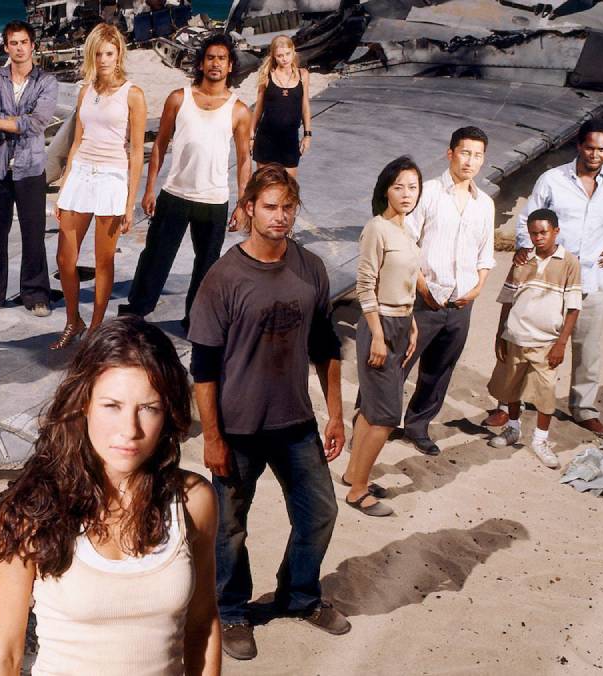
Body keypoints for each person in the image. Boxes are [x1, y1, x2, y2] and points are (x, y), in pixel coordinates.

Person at [0, 316, 222, 675]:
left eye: (149, 408)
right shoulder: (29, 512)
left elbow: (202, 623)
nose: (130, 429)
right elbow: (4, 654)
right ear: (84, 403)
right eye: (112, 405)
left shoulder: (193, 501)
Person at [189, 165, 349, 660]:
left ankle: (299, 596)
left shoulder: (310, 268)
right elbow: (203, 368)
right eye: (270, 207)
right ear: (249, 209)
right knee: (229, 529)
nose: (280, 216)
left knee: (320, 512)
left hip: (295, 421)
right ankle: (231, 610)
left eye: (288, 208)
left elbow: (325, 345)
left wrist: (336, 413)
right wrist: (212, 437)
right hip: (237, 427)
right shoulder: (223, 278)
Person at [485, 119, 603, 436]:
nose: (595, 154)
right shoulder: (553, 180)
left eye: (602, 149)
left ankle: (583, 409)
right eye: (589, 147)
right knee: (522, 340)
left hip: (592, 280)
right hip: (548, 281)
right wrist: (525, 249)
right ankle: (506, 406)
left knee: (587, 349)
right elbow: (527, 219)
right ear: (579, 146)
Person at [120, 33, 253, 330]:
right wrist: (150, 188)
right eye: (210, 58)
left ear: (230, 65)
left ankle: (197, 319)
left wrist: (243, 204)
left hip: (214, 200)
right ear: (201, 63)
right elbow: (159, 145)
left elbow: (245, 159)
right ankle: (136, 311)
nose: (215, 63)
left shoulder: (240, 110)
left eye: (222, 59)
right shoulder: (178, 98)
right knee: (155, 256)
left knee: (207, 265)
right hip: (175, 194)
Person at [400, 127, 495, 456]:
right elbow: (406, 241)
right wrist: (421, 285)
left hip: (461, 304)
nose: (470, 161)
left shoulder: (485, 204)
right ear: (450, 153)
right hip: (422, 300)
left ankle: (417, 426)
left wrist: (478, 288)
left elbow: (485, 253)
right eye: (465, 153)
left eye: (477, 155)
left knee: (439, 371)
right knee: (396, 364)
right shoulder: (427, 193)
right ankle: (372, 423)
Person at [51, 23, 147, 349]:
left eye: (109, 53)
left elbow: (136, 152)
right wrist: (64, 187)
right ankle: (73, 319)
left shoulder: (133, 94)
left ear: (119, 54)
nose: (103, 60)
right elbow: (77, 141)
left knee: (103, 261)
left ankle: (95, 329)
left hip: (112, 178)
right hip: (81, 174)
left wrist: (130, 202)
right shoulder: (86, 90)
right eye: (98, 54)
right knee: (65, 259)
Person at [343, 157, 422, 518]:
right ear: (385, 190)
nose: (406, 194)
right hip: (381, 325)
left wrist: (412, 321)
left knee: (372, 410)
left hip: (400, 322)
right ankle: (358, 491)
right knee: (387, 416)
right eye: (399, 187)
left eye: (413, 187)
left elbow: (403, 281)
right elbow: (365, 286)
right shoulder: (377, 229)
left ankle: (352, 474)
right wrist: (377, 334)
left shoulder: (406, 229)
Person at [0, 20, 58, 318]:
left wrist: (1, 122)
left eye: (24, 42)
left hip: (30, 169)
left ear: (32, 46)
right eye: (13, 43)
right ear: (6, 47)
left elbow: (38, 123)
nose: (19, 48)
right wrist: (13, 122)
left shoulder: (46, 81)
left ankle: (36, 295)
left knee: (33, 235)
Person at [487, 210, 581, 469]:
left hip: (546, 342)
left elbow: (573, 308)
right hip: (515, 335)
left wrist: (561, 344)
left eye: (543, 232)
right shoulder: (521, 259)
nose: (538, 237)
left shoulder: (569, 262)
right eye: (533, 233)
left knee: (545, 393)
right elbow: (507, 300)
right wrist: (500, 334)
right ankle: (513, 428)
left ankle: (540, 440)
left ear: (556, 232)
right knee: (512, 386)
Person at [251, 36, 311, 176]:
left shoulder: (303, 75)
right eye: (280, 56)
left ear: (293, 51)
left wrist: (307, 135)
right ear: (273, 56)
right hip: (266, 139)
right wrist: (251, 136)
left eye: (287, 54)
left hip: (290, 140)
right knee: (264, 184)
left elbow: (305, 106)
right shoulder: (266, 75)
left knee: (289, 185)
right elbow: (258, 108)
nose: (284, 59)